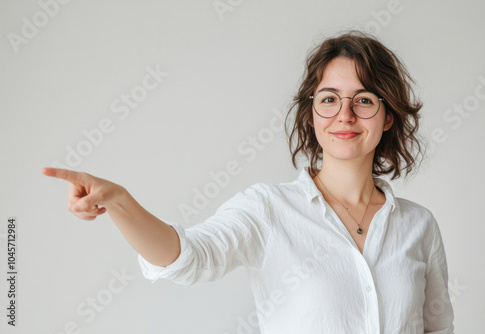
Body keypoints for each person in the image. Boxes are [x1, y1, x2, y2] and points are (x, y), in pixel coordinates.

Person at [42, 30, 454, 333]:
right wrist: (120, 202)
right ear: (311, 113)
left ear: (388, 116)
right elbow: (186, 257)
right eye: (329, 99)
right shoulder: (267, 209)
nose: (344, 115)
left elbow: (438, 329)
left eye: (363, 100)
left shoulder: (419, 226)